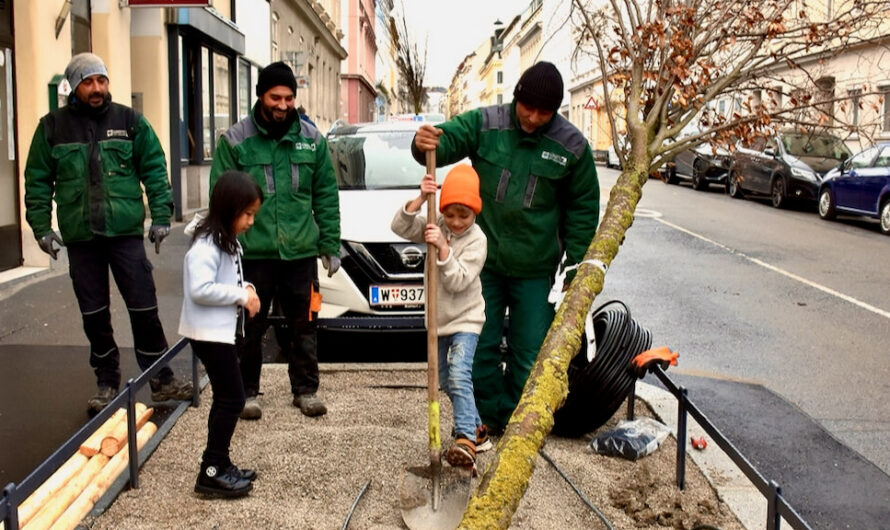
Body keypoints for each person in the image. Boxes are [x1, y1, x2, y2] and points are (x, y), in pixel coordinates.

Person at [411, 61, 601, 433]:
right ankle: (484, 422)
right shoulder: (486, 124)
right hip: (484, 266)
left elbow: (583, 211)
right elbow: (443, 141)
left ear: (556, 110)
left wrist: (574, 269)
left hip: (535, 269)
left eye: (543, 112)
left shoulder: (572, 146)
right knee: (478, 347)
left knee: (530, 352)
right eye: (526, 107)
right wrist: (424, 144)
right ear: (515, 98)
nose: (532, 117)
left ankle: (518, 426)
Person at [23, 52, 193, 414]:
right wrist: (41, 228)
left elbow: (154, 169)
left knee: (144, 307)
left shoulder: (129, 122)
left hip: (125, 235)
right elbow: (37, 181)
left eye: (101, 80)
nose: (97, 88)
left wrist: (162, 216)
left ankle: (161, 379)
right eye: (88, 82)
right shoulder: (52, 127)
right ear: (74, 85)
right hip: (82, 239)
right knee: (94, 313)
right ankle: (106, 382)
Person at [209, 61, 341, 419]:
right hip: (253, 253)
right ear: (260, 96)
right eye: (275, 97)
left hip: (299, 252)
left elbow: (326, 195)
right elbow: (220, 197)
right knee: (249, 325)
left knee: (304, 323)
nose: (283, 105)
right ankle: (246, 391)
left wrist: (330, 244)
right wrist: (221, 247)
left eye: (289, 98)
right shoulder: (235, 140)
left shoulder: (312, 141)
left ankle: (306, 390)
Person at [391, 165, 492, 468]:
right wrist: (421, 199)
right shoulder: (438, 224)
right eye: (450, 215)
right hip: (438, 321)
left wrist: (443, 248)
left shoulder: (477, 241)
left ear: (475, 212)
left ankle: (465, 440)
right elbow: (401, 227)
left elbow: (458, 281)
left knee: (459, 375)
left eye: (465, 215)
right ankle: (478, 429)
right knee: (445, 381)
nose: (457, 222)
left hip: (466, 320)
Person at [179, 170, 262, 498]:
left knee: (227, 398)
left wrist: (246, 287)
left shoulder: (223, 239)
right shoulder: (205, 245)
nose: (251, 222)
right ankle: (211, 470)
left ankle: (220, 464)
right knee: (232, 399)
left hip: (219, 332)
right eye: (247, 214)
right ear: (229, 208)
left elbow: (228, 277)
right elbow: (200, 289)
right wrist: (240, 296)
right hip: (208, 333)